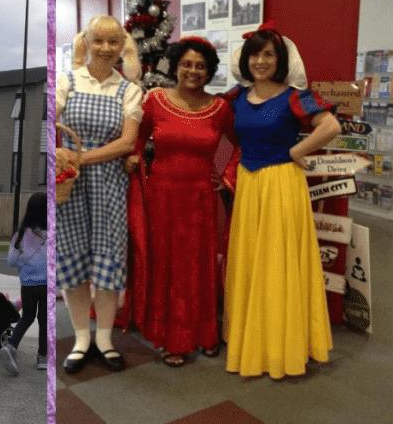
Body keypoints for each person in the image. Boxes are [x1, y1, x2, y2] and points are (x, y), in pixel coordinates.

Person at [222, 23, 341, 379]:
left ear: (280, 59)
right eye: (254, 54)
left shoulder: (294, 96)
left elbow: (331, 125)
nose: (260, 61)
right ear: (245, 59)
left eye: (268, 54)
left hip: (281, 185)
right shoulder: (236, 96)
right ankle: (251, 338)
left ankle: (280, 345)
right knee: (250, 262)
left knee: (277, 265)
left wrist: (297, 149)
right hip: (249, 184)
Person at [129, 37, 239, 367]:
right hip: (162, 197)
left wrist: (227, 176)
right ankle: (171, 338)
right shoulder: (156, 100)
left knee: (199, 266)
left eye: (200, 66)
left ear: (209, 71)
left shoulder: (220, 108)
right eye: (187, 64)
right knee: (167, 265)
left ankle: (205, 333)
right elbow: (135, 140)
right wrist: (132, 166)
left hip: (200, 200)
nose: (193, 71)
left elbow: (240, 144)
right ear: (176, 67)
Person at [56, 15, 143, 374]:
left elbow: (127, 142)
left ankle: (104, 338)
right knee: (72, 257)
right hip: (70, 185)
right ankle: (81, 338)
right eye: (99, 41)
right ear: (86, 42)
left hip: (108, 183)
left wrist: (80, 156)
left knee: (108, 257)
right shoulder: (67, 81)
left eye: (114, 42)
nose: (106, 49)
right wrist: (62, 156)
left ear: (123, 47)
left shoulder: (129, 89)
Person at [1, 191, 47, 375]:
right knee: (44, 321)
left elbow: (11, 261)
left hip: (27, 285)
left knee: (27, 317)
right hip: (47, 285)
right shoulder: (52, 234)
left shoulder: (19, 236)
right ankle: (42, 357)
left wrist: (25, 260)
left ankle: (11, 347)